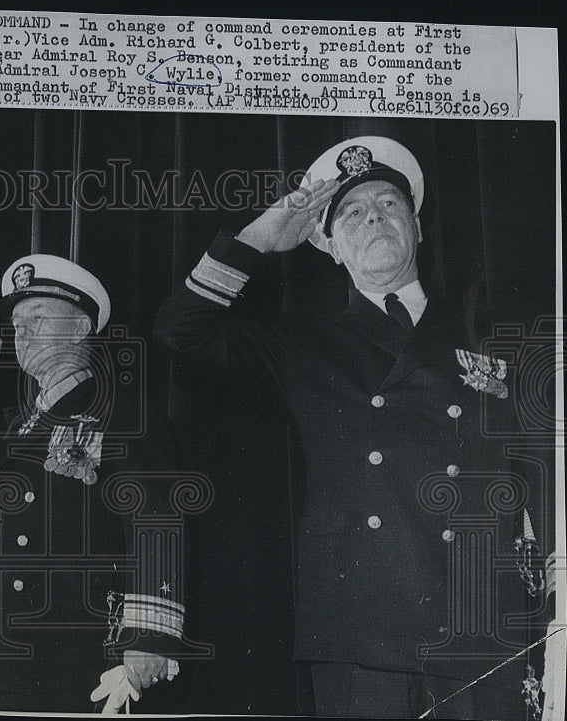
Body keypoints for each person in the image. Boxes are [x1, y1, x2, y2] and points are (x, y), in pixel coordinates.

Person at [154, 137, 553, 718]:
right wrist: (259, 240)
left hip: (480, 618)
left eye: (389, 205)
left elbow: (543, 467)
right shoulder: (304, 344)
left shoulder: (491, 328)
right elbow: (178, 332)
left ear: (417, 228)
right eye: (352, 214)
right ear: (331, 248)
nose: (373, 219)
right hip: (359, 623)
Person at [0, 254, 191, 713]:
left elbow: (155, 525)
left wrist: (149, 639)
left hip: (68, 656)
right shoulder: (4, 423)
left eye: (38, 318)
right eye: (16, 323)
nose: (22, 332)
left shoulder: (122, 418)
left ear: (81, 329)